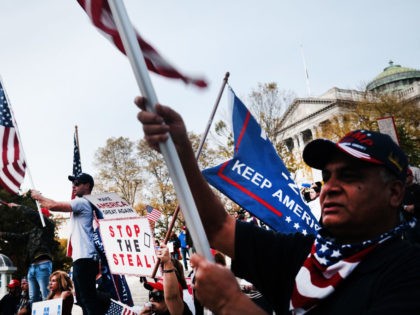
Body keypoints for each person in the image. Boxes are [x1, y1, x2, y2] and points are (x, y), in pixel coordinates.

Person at [136, 97, 420, 314]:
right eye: (327, 176)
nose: (330, 187)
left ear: (395, 192)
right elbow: (217, 226)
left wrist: (230, 303)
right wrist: (180, 151)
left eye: (349, 176)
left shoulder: (408, 272)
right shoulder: (303, 253)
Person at [31, 173, 107, 315]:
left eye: (77, 183)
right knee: (84, 299)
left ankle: (107, 301)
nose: (74, 186)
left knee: (87, 299)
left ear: (87, 186)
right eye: (73, 183)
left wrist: (38, 197)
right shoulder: (85, 203)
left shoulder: (82, 202)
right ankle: (105, 301)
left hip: (85, 258)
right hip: (84, 258)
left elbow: (53, 205)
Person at [0, 203, 55, 304]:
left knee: (45, 295)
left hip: (43, 264)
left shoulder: (48, 227)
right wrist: (2, 234)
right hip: (32, 266)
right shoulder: (33, 232)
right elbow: (18, 237)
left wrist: (18, 207)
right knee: (33, 298)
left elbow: (33, 216)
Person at [138, 244, 193, 315]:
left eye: (157, 296)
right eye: (151, 294)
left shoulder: (177, 310)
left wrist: (167, 262)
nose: (151, 299)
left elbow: (172, 296)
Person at [402, 167, 420, 244]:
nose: (405, 178)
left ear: (411, 176)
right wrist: (404, 207)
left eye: (407, 175)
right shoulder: (401, 191)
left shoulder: (418, 188)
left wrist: (414, 206)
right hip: (407, 222)